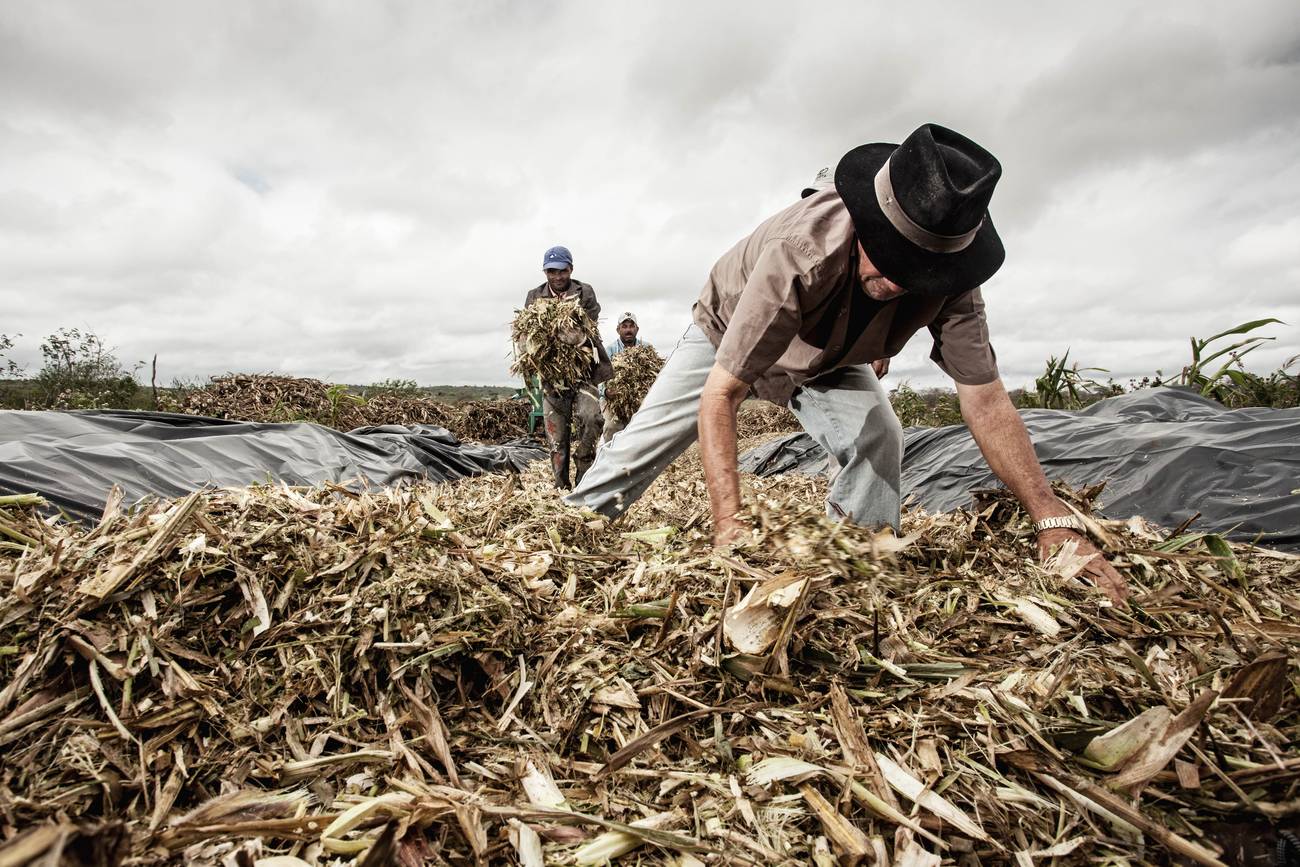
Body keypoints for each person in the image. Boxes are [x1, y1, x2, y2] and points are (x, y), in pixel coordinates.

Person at [566, 124, 1129, 604]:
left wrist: (1051, 517)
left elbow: (984, 398)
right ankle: (570, 532)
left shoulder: (953, 279)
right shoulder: (800, 252)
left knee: (880, 435)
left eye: (917, 274)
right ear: (866, 223)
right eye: (889, 261)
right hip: (726, 333)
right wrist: (730, 528)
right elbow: (721, 396)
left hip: (827, 355)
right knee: (639, 449)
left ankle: (856, 577)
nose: (894, 284)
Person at [524, 245, 612, 489]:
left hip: (584, 373)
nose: (557, 277)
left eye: (562, 271)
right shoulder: (534, 296)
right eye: (552, 271)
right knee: (556, 436)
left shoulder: (585, 292)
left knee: (592, 418)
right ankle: (560, 487)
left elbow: (591, 323)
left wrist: (579, 337)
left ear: (570, 269)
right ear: (545, 272)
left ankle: (583, 474)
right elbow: (529, 330)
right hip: (553, 377)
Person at [601, 312, 650, 441]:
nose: (628, 330)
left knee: (644, 429)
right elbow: (600, 377)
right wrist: (606, 392)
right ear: (618, 330)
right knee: (611, 427)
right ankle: (609, 457)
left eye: (631, 326)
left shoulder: (646, 349)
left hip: (640, 401)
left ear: (637, 329)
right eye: (624, 326)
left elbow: (655, 374)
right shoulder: (609, 351)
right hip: (613, 400)